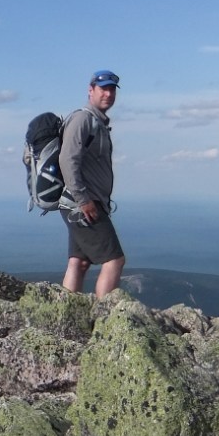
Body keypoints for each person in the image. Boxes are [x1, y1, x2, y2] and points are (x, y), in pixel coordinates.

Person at [58, 69, 125, 297]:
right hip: (83, 203)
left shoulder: (97, 122)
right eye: (103, 89)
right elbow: (67, 160)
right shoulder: (83, 119)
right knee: (115, 260)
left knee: (79, 262)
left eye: (112, 89)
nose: (108, 94)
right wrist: (83, 199)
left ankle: (67, 311)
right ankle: (105, 313)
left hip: (79, 203)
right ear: (91, 90)